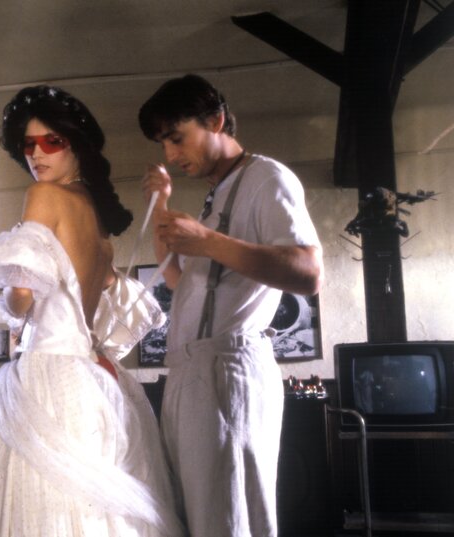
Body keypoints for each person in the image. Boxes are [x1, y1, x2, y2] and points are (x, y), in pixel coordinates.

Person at [0, 85, 184, 537]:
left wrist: (7, 298)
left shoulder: (43, 195)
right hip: (95, 379)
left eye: (51, 141)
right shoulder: (96, 218)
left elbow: (21, 296)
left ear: (75, 144)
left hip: (47, 373)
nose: (36, 154)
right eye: (28, 144)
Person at [138, 74, 323, 537]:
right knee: (197, 517)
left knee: (227, 520)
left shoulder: (266, 177)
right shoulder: (218, 193)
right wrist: (161, 205)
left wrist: (209, 240)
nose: (171, 154)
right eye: (164, 144)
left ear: (216, 121)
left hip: (228, 368)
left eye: (177, 138)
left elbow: (309, 273)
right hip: (192, 372)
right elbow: (179, 282)